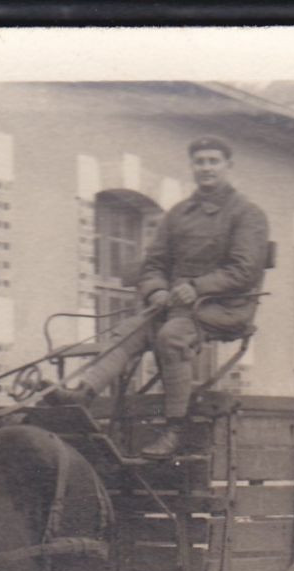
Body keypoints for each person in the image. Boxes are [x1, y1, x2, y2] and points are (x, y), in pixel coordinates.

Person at [48, 135, 270, 458]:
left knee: (172, 335)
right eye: (200, 162)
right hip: (177, 304)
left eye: (213, 161)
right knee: (131, 330)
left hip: (224, 305)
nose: (206, 168)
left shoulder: (247, 214)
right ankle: (84, 393)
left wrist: (197, 287)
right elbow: (154, 263)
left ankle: (175, 427)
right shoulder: (178, 214)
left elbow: (244, 271)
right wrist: (157, 289)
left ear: (228, 166)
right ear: (192, 167)